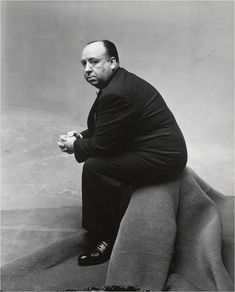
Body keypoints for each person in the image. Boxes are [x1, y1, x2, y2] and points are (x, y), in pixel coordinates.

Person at [58, 40, 187, 266]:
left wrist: (74, 147)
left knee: (95, 167)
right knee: (98, 161)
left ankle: (104, 236)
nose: (87, 69)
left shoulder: (117, 92)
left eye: (94, 62)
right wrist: (81, 137)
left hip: (163, 157)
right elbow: (110, 128)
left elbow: (104, 146)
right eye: (84, 63)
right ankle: (107, 226)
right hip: (147, 146)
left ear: (113, 62)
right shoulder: (117, 84)